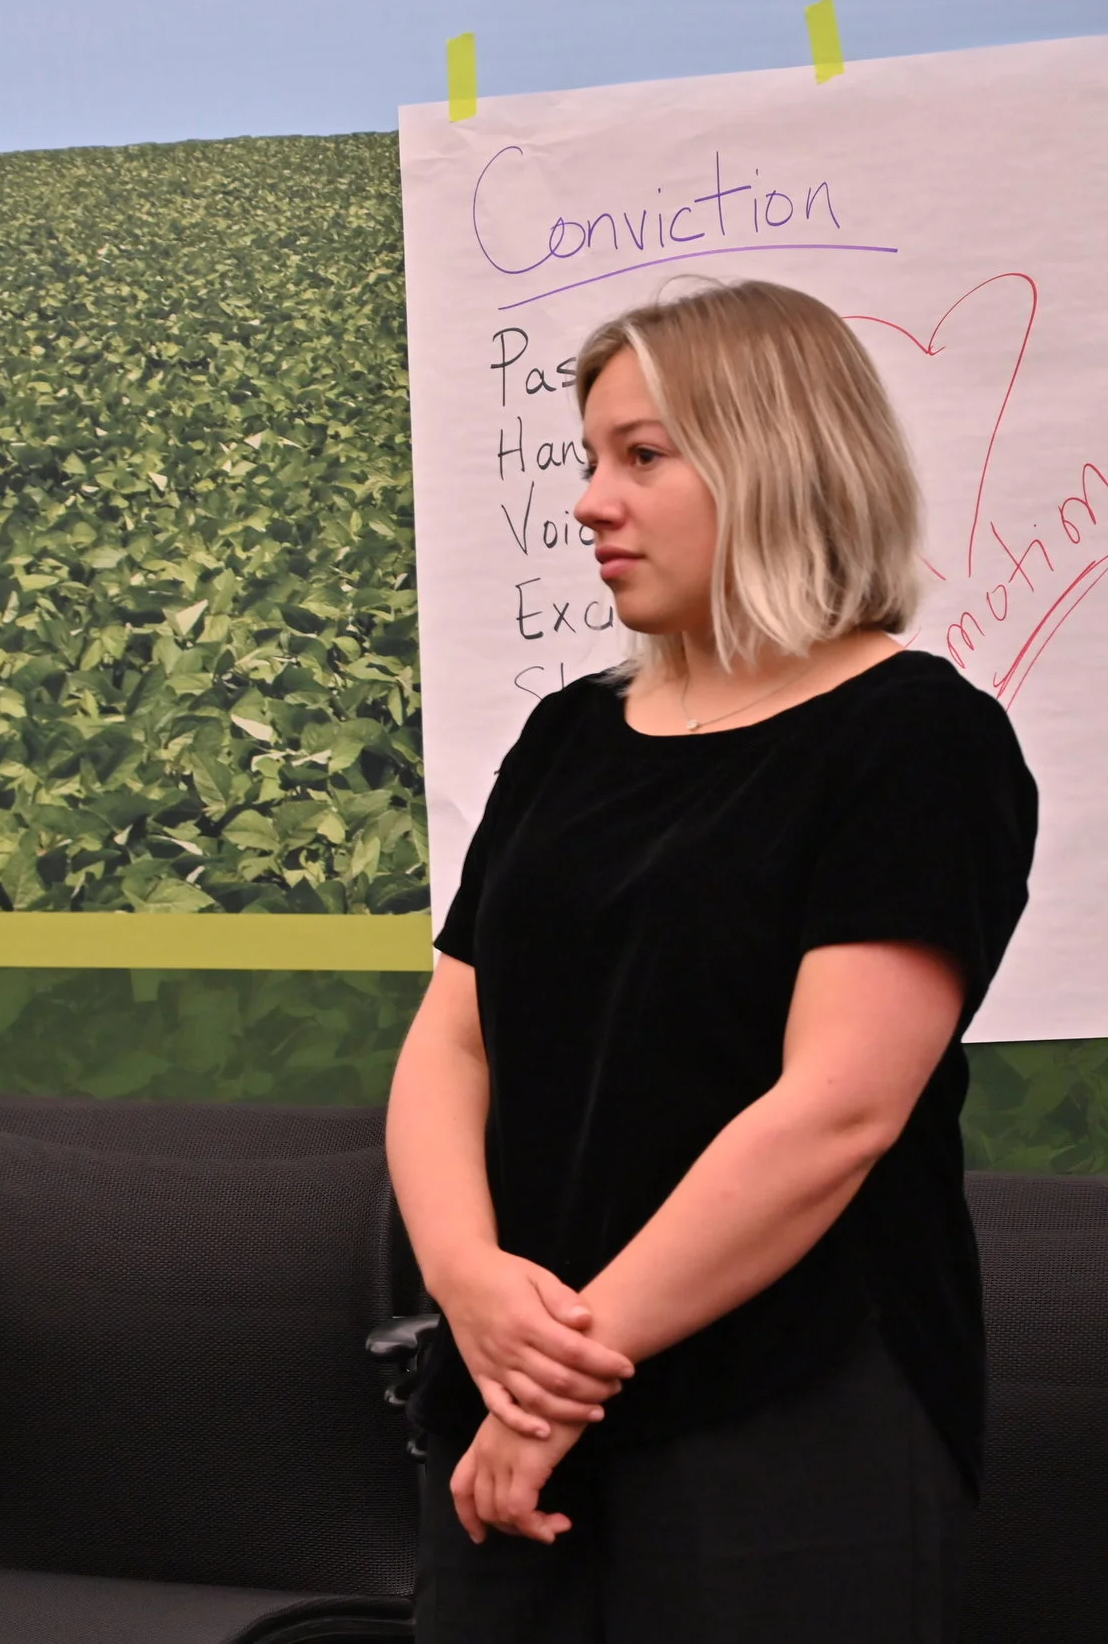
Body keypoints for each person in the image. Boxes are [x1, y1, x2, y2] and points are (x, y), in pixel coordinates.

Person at [387, 278, 1037, 1643]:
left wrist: (559, 1379)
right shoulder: (569, 735)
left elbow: (835, 1115)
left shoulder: (915, 739)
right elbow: (453, 1036)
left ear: (777, 463)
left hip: (783, 1414)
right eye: (588, 459)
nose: (590, 503)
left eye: (642, 455)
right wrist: (466, 1279)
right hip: (509, 1399)